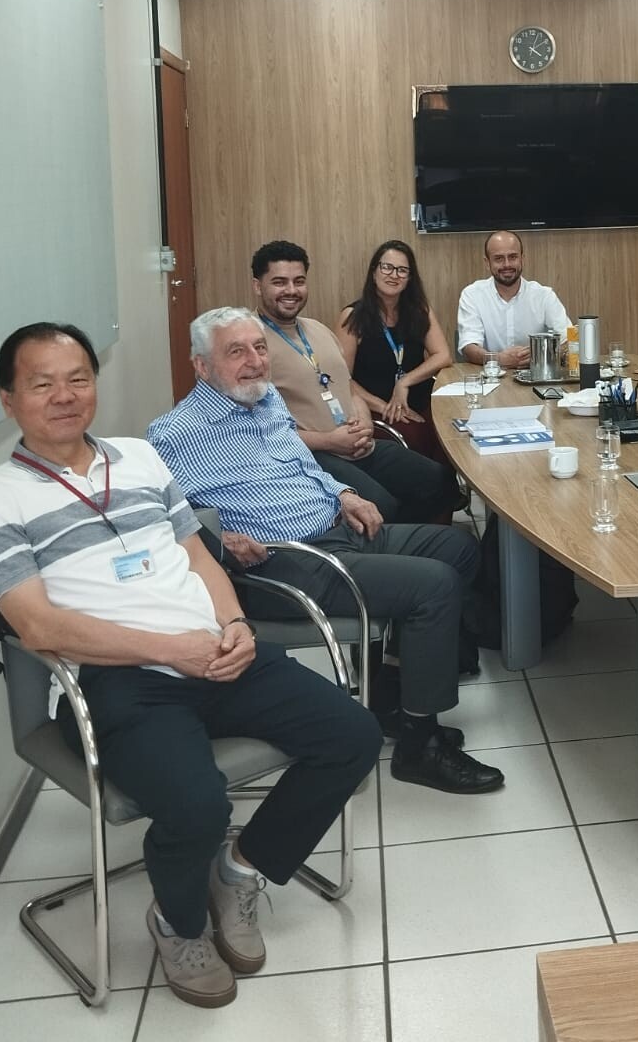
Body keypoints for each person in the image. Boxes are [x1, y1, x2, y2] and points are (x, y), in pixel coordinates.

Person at [0, 322, 381, 1009]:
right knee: (196, 803)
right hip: (115, 683)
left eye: (78, 379)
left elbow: (197, 556)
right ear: (9, 399)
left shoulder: (138, 459)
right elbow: (36, 625)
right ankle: (178, 923)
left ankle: (241, 870)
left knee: (354, 736)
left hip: (215, 654)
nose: (65, 397)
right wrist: (168, 650)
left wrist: (235, 625)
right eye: (42, 385)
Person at [148, 308, 503, 797]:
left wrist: (343, 494)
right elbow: (163, 525)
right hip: (281, 563)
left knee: (457, 545)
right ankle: (420, 746)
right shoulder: (170, 435)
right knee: (433, 585)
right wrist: (221, 543)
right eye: (236, 352)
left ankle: (391, 699)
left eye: (258, 348)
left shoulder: (266, 399)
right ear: (202, 366)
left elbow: (302, 465)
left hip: (334, 529)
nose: (254, 362)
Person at [251, 239, 459, 523]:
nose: (291, 290)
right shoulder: (252, 345)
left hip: (359, 442)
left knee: (440, 480)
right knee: (382, 504)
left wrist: (363, 421)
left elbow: (347, 385)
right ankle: (397, 556)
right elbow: (254, 430)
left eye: (298, 281)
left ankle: (424, 550)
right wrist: (328, 440)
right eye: (279, 282)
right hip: (315, 454)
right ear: (257, 286)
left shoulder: (318, 331)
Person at [336, 239, 455, 468]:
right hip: (378, 410)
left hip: (420, 402)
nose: (394, 275)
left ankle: (449, 498)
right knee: (417, 439)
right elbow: (341, 379)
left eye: (402, 270)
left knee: (453, 433)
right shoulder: (353, 317)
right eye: (387, 267)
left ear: (410, 278)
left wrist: (405, 383)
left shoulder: (419, 311)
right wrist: (386, 407)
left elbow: (443, 355)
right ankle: (432, 498)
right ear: (373, 272)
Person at [457, 231, 570, 368]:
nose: (507, 265)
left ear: (522, 259)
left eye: (513, 257)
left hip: (536, 377)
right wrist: (499, 359)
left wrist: (540, 355)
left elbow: (570, 340)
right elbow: (469, 348)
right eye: (499, 258)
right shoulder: (472, 295)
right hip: (490, 379)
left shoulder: (544, 296)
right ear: (487, 263)